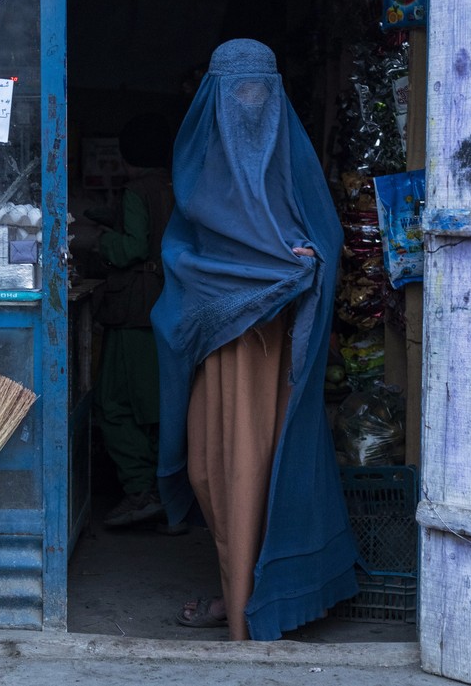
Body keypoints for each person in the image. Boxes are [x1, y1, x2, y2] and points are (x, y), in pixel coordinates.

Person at [151, 39, 358, 640]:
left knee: (258, 471)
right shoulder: (199, 167)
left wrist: (303, 262)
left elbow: (326, 239)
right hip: (220, 348)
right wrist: (230, 289)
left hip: (276, 349)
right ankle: (239, 592)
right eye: (236, 90)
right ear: (214, 96)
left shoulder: (289, 160)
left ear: (275, 94)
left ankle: (245, 604)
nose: (248, 103)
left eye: (260, 91)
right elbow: (183, 257)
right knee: (210, 471)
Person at [91, 113, 177, 529]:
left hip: (134, 311)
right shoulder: (175, 187)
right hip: (169, 307)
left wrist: (96, 240)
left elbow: (131, 248)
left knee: (115, 405)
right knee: (162, 406)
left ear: (127, 155)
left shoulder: (137, 190)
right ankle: (169, 496)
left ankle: (142, 491)